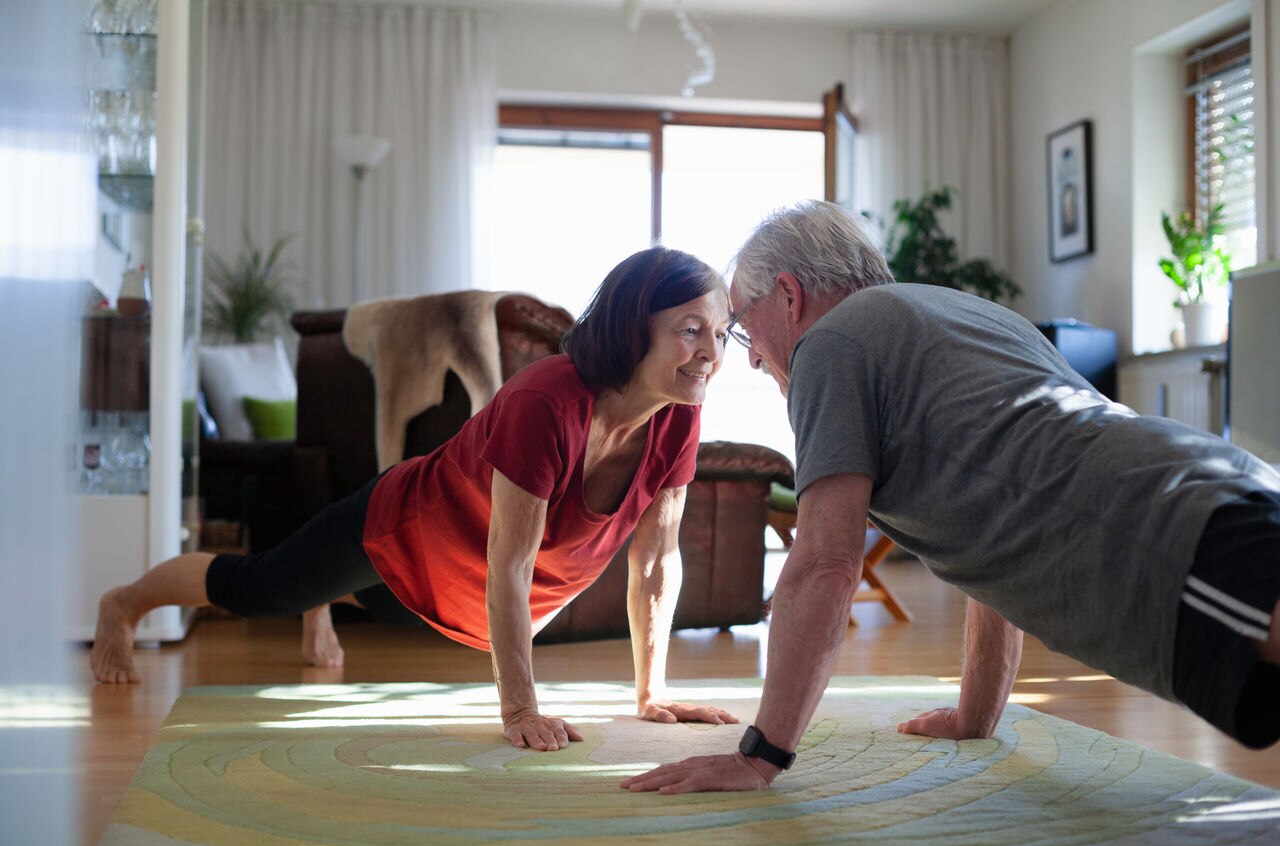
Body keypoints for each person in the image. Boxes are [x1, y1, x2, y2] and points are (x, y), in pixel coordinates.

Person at [623, 200, 1280, 794]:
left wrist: (759, 756)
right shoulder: (965, 315)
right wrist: (975, 715)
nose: (749, 358)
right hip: (1204, 486)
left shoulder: (830, 344)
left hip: (1164, 532)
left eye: (742, 325)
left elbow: (825, 561)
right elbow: (988, 540)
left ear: (789, 295)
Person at [92, 246, 741, 750]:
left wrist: (653, 692)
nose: (711, 353)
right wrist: (520, 708)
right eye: (691, 329)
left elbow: (656, 562)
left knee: (387, 607)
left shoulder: (678, 417)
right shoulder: (546, 402)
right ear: (631, 327)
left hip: (461, 595)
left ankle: (325, 594)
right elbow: (509, 562)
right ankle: (124, 603)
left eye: (722, 333)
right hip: (402, 529)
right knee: (260, 587)